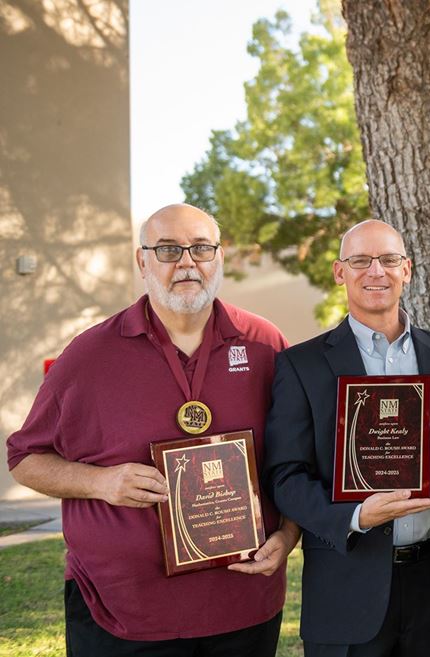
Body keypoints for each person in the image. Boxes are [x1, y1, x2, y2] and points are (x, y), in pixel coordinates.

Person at [6, 203, 299, 655]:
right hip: (121, 611)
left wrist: (288, 536)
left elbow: (297, 457)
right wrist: (100, 481)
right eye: (167, 250)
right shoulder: (89, 355)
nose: (187, 262)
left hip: (242, 606)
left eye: (201, 248)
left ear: (219, 257)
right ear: (142, 261)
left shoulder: (264, 344)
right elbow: (25, 459)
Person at [263, 220, 430, 657]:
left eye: (389, 259)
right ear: (340, 272)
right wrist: (356, 516)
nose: (376, 271)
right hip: (345, 584)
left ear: (407, 269)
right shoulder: (302, 366)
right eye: (360, 260)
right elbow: (286, 478)